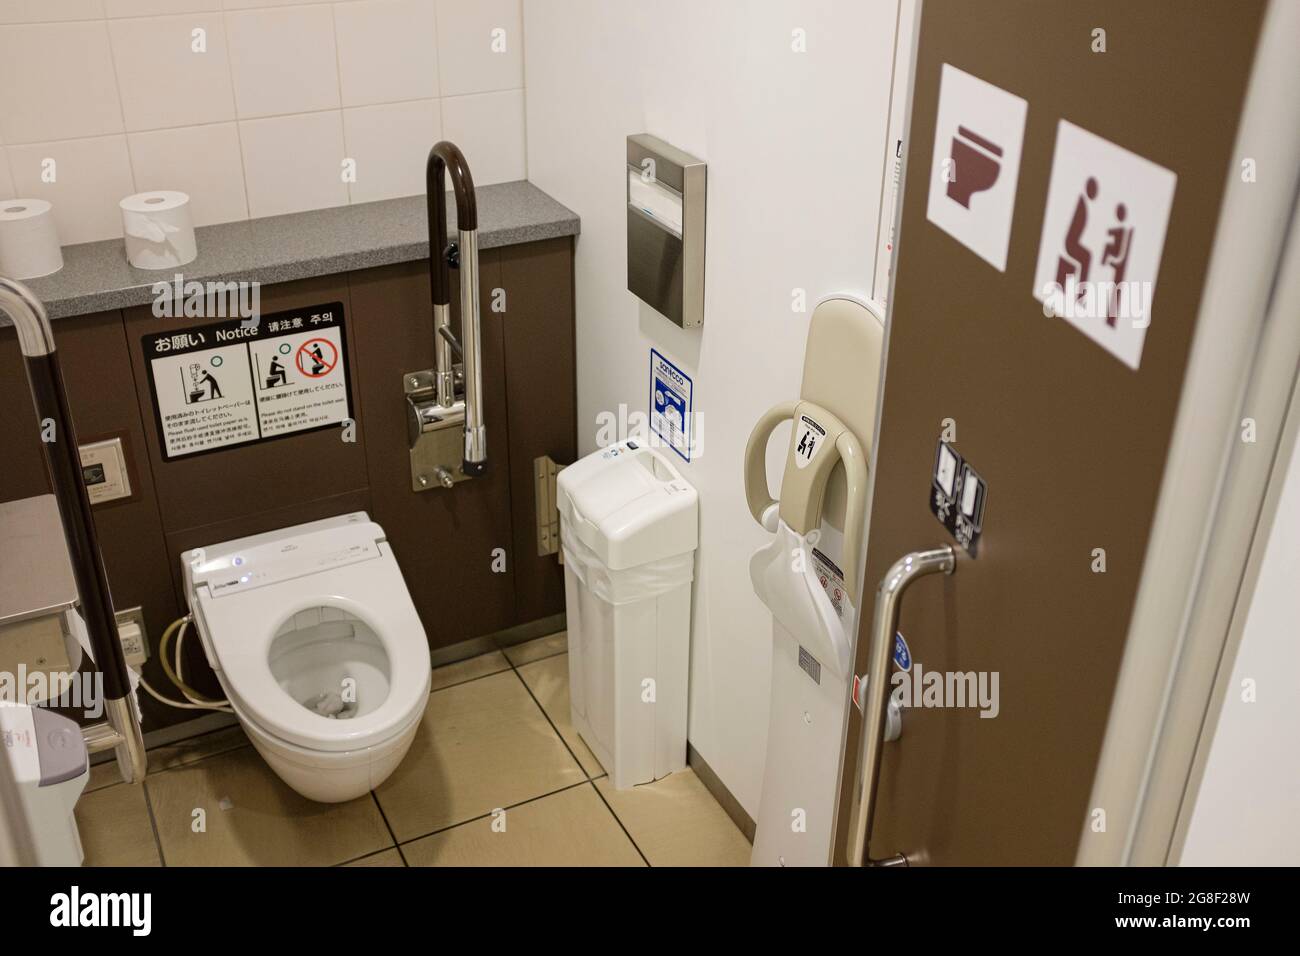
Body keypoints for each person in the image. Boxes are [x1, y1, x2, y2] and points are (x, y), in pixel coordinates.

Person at [1056, 177, 1098, 300]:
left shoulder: (1084, 204)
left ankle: (1080, 293)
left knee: (1087, 256)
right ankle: (1081, 294)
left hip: (1073, 242)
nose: (1095, 194)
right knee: (1087, 257)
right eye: (1093, 190)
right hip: (1070, 243)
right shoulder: (1082, 204)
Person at [1100, 203, 1134, 326]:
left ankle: (1111, 317)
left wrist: (1108, 259)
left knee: (1115, 291)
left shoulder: (1125, 232)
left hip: (1118, 268)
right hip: (1115, 267)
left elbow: (1120, 252)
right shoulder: (1114, 230)